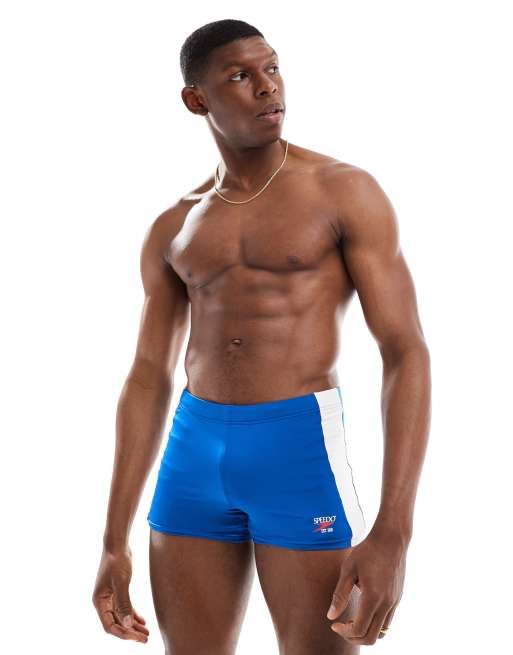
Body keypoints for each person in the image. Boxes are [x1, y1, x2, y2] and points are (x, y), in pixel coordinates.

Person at [92, 18, 431, 654]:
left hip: (297, 450)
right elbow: (147, 376)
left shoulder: (343, 192)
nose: (268, 87)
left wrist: (395, 530)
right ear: (197, 99)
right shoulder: (175, 225)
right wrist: (113, 542)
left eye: (272, 68)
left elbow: (405, 353)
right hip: (192, 458)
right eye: (240, 76)